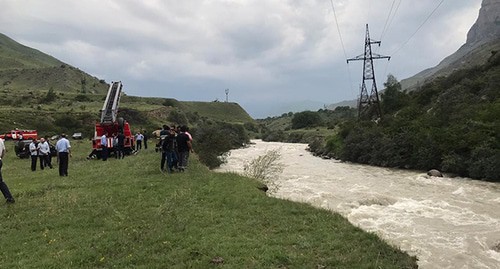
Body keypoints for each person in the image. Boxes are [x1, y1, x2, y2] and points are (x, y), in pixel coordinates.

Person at [0, 138, 15, 203]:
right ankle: (9, 197)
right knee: (0, 182)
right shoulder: (0, 140)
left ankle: (9, 198)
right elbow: (3, 150)